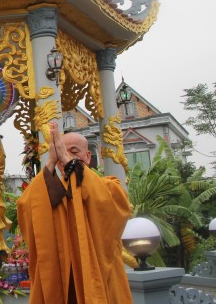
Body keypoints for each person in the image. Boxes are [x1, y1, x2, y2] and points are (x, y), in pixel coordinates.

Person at [18, 123, 132, 304]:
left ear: (88, 156)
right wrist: (51, 162)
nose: (68, 156)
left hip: (99, 278)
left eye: (74, 151)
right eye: (62, 151)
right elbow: (26, 205)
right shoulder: (51, 191)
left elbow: (113, 208)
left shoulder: (108, 186)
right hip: (62, 277)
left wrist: (68, 160)